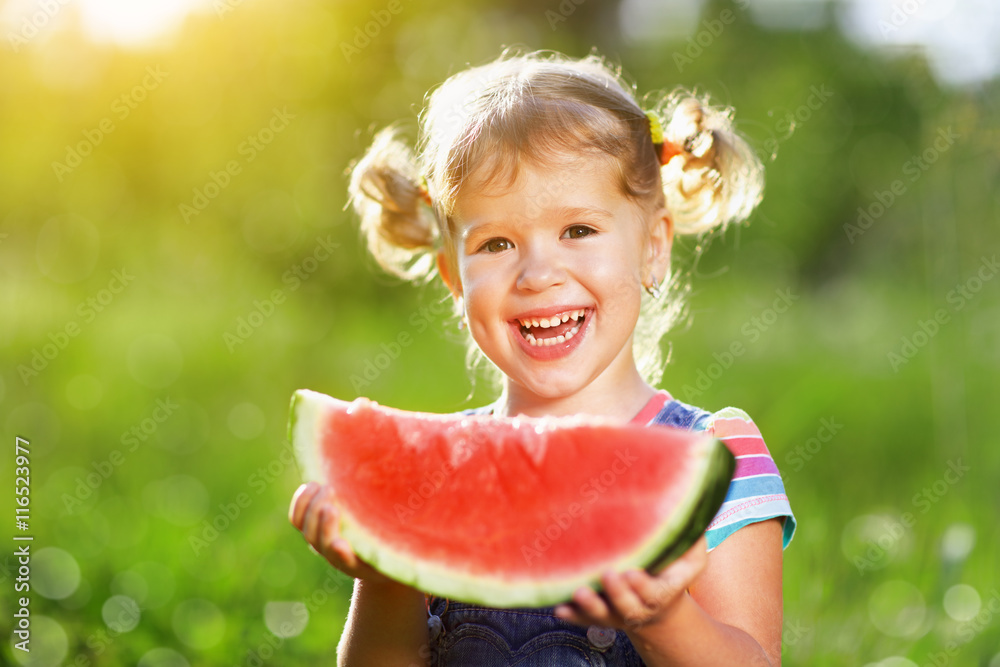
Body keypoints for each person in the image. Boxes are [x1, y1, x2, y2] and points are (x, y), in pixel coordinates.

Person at [289, 49, 796, 666]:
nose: (538, 274)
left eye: (577, 230)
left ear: (653, 246)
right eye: (496, 243)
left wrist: (662, 619)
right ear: (454, 274)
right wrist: (388, 572)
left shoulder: (719, 453)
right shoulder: (434, 476)